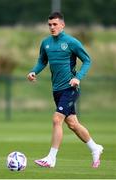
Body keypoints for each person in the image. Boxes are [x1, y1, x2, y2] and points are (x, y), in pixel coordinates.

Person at [27, 12, 103, 168]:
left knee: (57, 120)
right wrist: (34, 71)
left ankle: (51, 158)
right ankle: (95, 148)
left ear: (62, 25)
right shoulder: (46, 42)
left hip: (70, 88)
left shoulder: (71, 42)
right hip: (56, 89)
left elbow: (87, 60)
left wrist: (78, 77)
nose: (52, 27)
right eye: (50, 25)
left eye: (55, 24)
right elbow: (42, 60)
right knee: (73, 124)